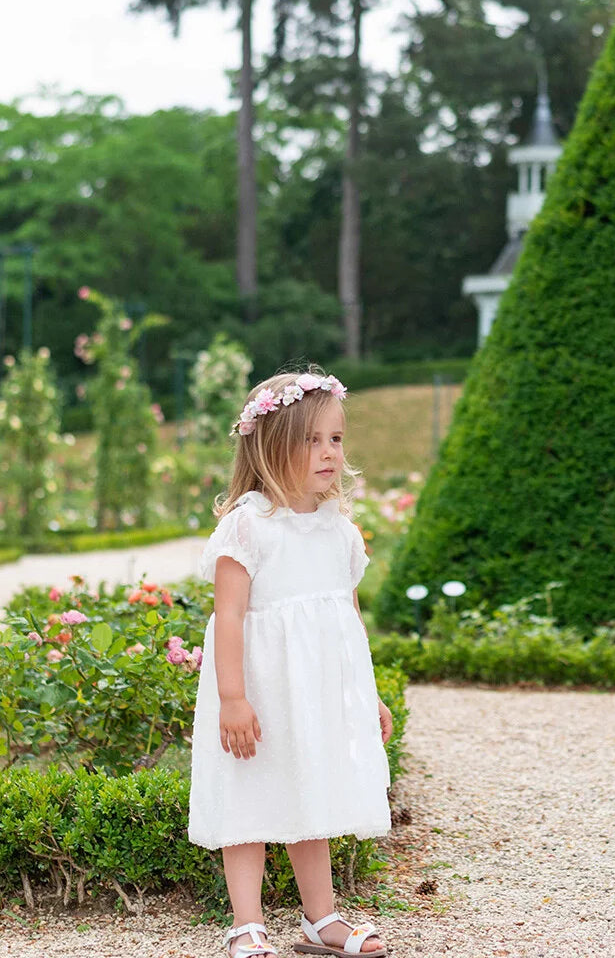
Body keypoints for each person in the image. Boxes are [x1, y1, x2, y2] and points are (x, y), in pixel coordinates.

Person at [188, 370, 392, 958]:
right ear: (271, 445)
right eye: (312, 440)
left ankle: (320, 917)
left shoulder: (340, 533)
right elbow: (229, 617)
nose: (329, 452)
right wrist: (232, 698)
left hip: (317, 695)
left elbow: (349, 623)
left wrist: (367, 695)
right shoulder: (248, 527)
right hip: (257, 693)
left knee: (314, 796)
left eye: (336, 438)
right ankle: (247, 924)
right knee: (250, 797)